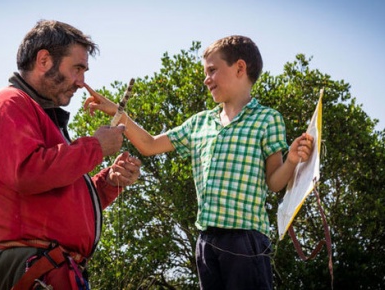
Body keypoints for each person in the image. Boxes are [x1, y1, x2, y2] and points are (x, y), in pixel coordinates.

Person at [84, 35, 314, 289]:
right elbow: (149, 145)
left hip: (245, 239)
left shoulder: (267, 119)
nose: (206, 79)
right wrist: (118, 112)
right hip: (206, 242)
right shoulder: (200, 123)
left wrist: (292, 160)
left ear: (240, 68)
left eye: (212, 70)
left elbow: (274, 182)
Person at [0, 20, 142, 290]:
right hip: (34, 263)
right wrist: (95, 147)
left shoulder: (39, 115)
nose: (82, 82)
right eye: (77, 68)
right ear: (44, 60)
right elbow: (26, 173)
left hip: (49, 263)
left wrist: (109, 182)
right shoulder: (8, 103)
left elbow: (60, 193)